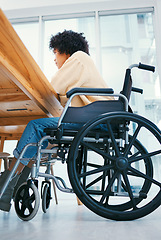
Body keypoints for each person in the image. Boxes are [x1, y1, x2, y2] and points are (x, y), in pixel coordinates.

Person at [0, 30, 110, 212]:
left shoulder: (78, 58)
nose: (54, 59)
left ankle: (7, 181)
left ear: (65, 50)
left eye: (56, 53)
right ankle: (10, 184)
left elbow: (54, 87)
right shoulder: (84, 61)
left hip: (91, 119)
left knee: (35, 126)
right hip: (95, 117)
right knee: (40, 129)